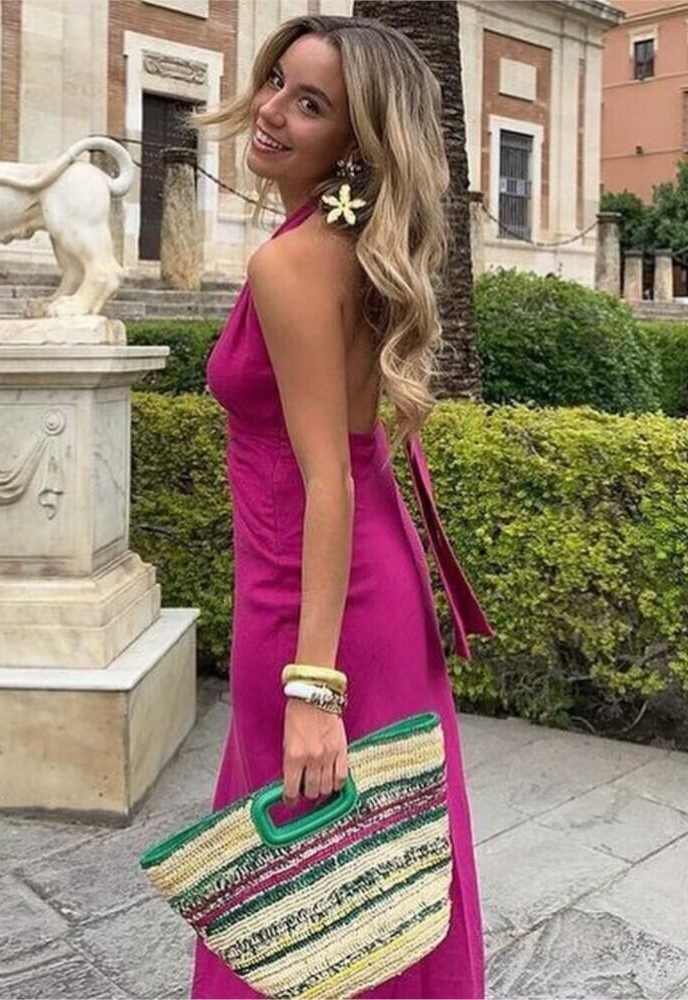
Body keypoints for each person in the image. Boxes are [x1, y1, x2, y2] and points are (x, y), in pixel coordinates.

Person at [189, 14, 496, 999]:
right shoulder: (351, 241)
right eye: (277, 79)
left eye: (310, 102)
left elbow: (327, 477)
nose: (272, 109)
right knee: (376, 874)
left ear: (355, 142)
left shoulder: (292, 265)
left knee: (310, 888)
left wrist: (312, 690)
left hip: (308, 605)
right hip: (368, 586)